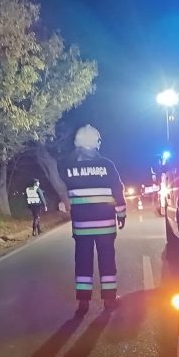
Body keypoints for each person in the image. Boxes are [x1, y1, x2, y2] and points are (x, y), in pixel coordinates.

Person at [61, 124, 126, 316]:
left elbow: (62, 189)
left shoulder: (68, 167)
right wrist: (121, 214)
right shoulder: (107, 165)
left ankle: (83, 301)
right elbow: (118, 190)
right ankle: (109, 299)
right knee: (107, 260)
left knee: (82, 261)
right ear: (97, 143)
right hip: (105, 224)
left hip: (81, 226)